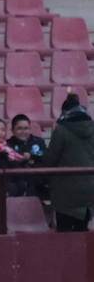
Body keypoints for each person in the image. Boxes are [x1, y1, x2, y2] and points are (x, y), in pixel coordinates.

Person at [43, 94, 94, 231]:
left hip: (65, 191)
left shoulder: (61, 129)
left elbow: (50, 160)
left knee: (65, 235)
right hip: (90, 188)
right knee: (82, 232)